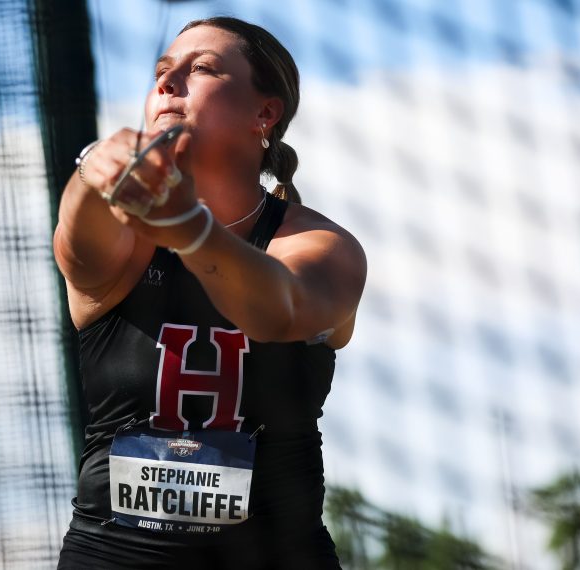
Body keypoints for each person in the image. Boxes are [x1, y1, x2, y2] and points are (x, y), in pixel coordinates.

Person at [54, 16, 366, 569]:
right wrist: (90, 173)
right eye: (160, 72)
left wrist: (189, 230)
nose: (168, 82)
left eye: (200, 68)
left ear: (264, 114)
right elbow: (77, 252)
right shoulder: (125, 231)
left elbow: (278, 310)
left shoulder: (321, 244)